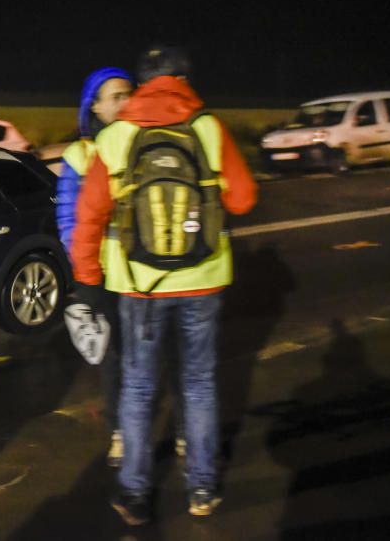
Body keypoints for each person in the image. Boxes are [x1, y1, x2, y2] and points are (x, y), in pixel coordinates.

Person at [71, 45, 257, 525]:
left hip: (139, 284)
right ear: (184, 80)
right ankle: (201, 488)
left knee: (137, 387)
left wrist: (88, 277)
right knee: (198, 383)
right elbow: (243, 199)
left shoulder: (116, 136)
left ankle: (134, 493)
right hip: (203, 279)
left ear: (144, 82)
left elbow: (89, 215)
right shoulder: (207, 127)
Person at [56, 67, 132, 466]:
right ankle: (120, 432)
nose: (124, 103)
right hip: (102, 274)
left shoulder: (145, 141)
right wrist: (85, 271)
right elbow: (69, 220)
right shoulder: (80, 155)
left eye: (128, 94)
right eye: (114, 96)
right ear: (95, 107)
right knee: (115, 358)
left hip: (145, 272)